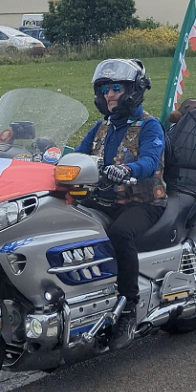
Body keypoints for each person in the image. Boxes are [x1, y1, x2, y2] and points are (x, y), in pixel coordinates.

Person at [76, 59, 167, 350]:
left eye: (116, 87)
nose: (110, 94)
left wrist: (128, 169)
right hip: (104, 199)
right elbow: (77, 155)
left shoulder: (149, 126)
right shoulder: (102, 127)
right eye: (105, 89)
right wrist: (49, 156)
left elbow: (150, 161)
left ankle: (128, 308)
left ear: (133, 90)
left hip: (143, 202)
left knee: (120, 234)